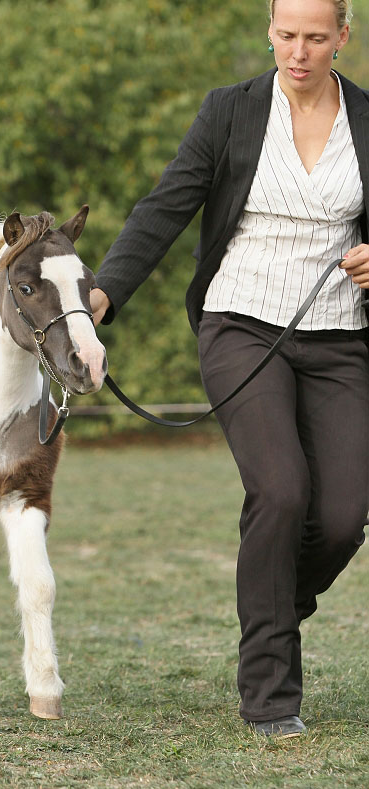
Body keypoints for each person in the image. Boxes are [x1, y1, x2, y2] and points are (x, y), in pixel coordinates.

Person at [90, 0, 369, 738]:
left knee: (343, 518)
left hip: (338, 334)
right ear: (268, 32)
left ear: (343, 35)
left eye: (315, 37)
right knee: (279, 492)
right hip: (240, 324)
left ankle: (266, 607)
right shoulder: (230, 111)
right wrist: (104, 290)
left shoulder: (368, 119)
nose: (298, 52)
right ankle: (270, 694)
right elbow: (165, 206)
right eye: (286, 36)